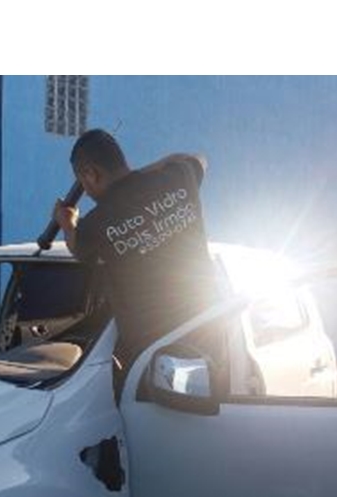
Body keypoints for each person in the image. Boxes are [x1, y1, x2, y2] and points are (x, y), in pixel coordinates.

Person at [53, 129, 220, 400]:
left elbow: (77, 248)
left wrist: (66, 221)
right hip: (211, 337)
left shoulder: (96, 224)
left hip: (155, 365)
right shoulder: (178, 179)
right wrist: (139, 176)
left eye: (83, 181)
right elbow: (196, 158)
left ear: (90, 174)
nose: (87, 190)